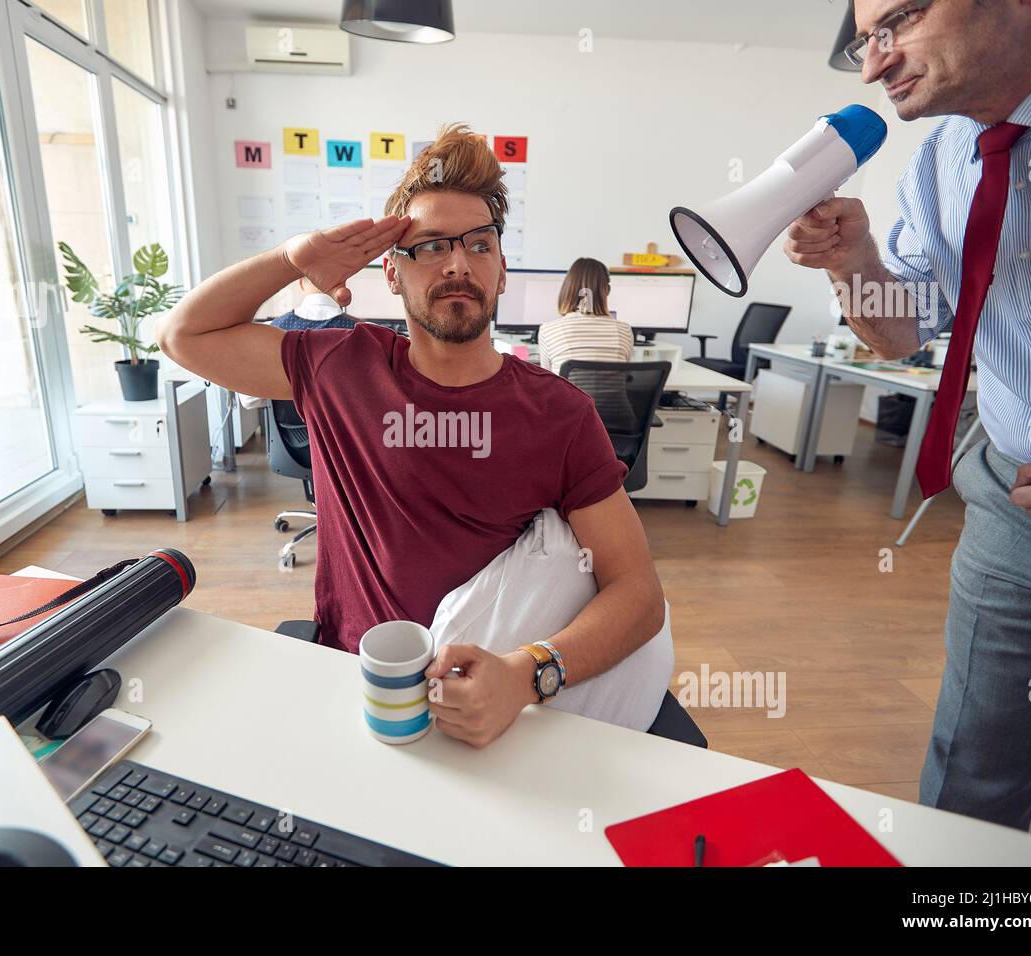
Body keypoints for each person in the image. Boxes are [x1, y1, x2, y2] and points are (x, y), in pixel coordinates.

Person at [160, 123, 667, 749]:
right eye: (429, 246)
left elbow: (638, 592)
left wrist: (525, 675)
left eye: (479, 245)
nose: (458, 263)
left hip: (495, 698)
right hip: (361, 683)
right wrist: (295, 259)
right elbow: (184, 336)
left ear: (502, 271)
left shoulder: (559, 413)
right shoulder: (340, 365)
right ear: (392, 275)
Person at [784, 0, 1031, 830]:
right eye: (863, 43)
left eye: (898, 21)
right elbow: (902, 328)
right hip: (1018, 509)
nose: (875, 65)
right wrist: (855, 261)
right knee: (970, 791)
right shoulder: (945, 158)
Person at [237, 277, 355, 411]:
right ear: (343, 285)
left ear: (300, 283)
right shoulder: (364, 333)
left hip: (287, 430)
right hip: (342, 430)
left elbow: (249, 400)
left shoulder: (270, 330)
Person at [537, 257, 634, 375]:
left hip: (567, 394)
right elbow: (624, 376)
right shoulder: (625, 330)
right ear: (606, 291)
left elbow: (547, 379)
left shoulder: (547, 331)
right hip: (613, 394)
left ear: (567, 290)